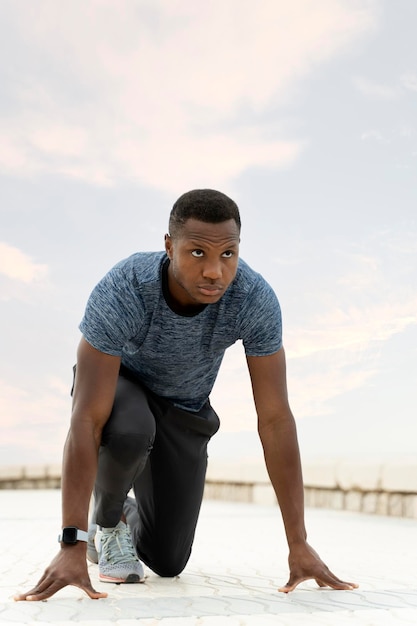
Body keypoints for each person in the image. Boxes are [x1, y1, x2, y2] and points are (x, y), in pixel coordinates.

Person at [15, 189, 357, 601]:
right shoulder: (126, 287)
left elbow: (275, 419)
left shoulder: (253, 298)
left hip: (185, 407)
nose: (215, 270)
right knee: (130, 431)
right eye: (197, 253)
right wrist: (71, 542)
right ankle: (105, 525)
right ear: (169, 247)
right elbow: (86, 419)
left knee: (168, 560)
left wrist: (298, 543)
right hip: (122, 388)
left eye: (228, 254)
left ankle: (125, 511)